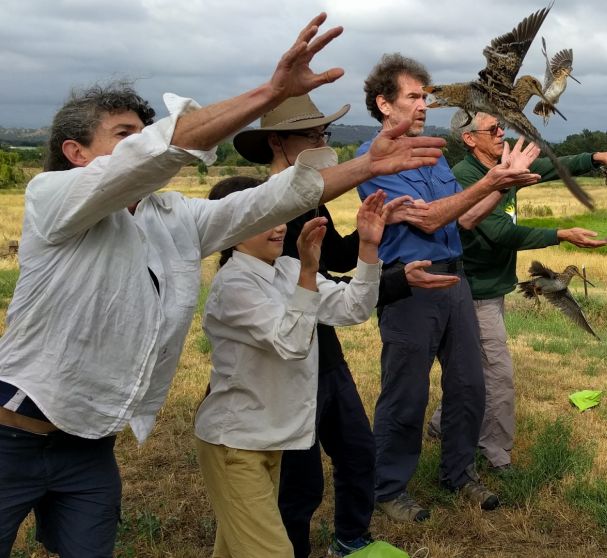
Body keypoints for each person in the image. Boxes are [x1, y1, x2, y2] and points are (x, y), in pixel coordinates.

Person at [0, 14, 445, 557]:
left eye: (141, 134)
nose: (139, 145)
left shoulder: (171, 219)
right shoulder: (54, 198)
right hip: (11, 436)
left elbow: (262, 203)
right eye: (123, 136)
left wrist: (365, 166)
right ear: (76, 154)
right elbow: (159, 155)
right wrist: (270, 94)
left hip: (90, 448)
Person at [232, 93, 457, 557]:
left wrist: (379, 230)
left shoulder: (314, 198)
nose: (322, 142)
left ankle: (351, 539)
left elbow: (334, 258)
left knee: (357, 451)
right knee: (300, 476)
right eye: (311, 135)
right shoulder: (258, 206)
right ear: (278, 141)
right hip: (283, 355)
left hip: (323, 346)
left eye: (323, 133)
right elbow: (295, 286)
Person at [356, 53, 542, 523]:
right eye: (414, 97)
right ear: (383, 103)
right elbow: (428, 216)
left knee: (469, 383)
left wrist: (500, 185)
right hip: (409, 284)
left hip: (454, 276)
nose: (424, 105)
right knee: (407, 392)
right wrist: (494, 179)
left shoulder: (434, 152)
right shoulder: (372, 160)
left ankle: (458, 473)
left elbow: (460, 216)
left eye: (426, 96)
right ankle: (389, 486)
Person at [427, 110, 607, 472]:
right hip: (473, 292)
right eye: (492, 129)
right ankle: (495, 453)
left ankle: (439, 425)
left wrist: (596, 157)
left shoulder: (497, 169)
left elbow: (549, 168)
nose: (500, 132)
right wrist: (562, 234)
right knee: (498, 373)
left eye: (500, 126)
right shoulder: (466, 177)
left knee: (472, 366)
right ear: (469, 139)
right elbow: (500, 234)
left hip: (487, 287)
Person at [194, 176, 388, 558]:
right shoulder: (234, 286)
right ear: (229, 231)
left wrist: (367, 248)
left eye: (280, 214)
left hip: (270, 440)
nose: (280, 225)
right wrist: (306, 272)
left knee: (234, 550)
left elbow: (352, 308)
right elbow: (293, 343)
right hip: (236, 444)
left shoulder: (284, 268)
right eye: (264, 216)